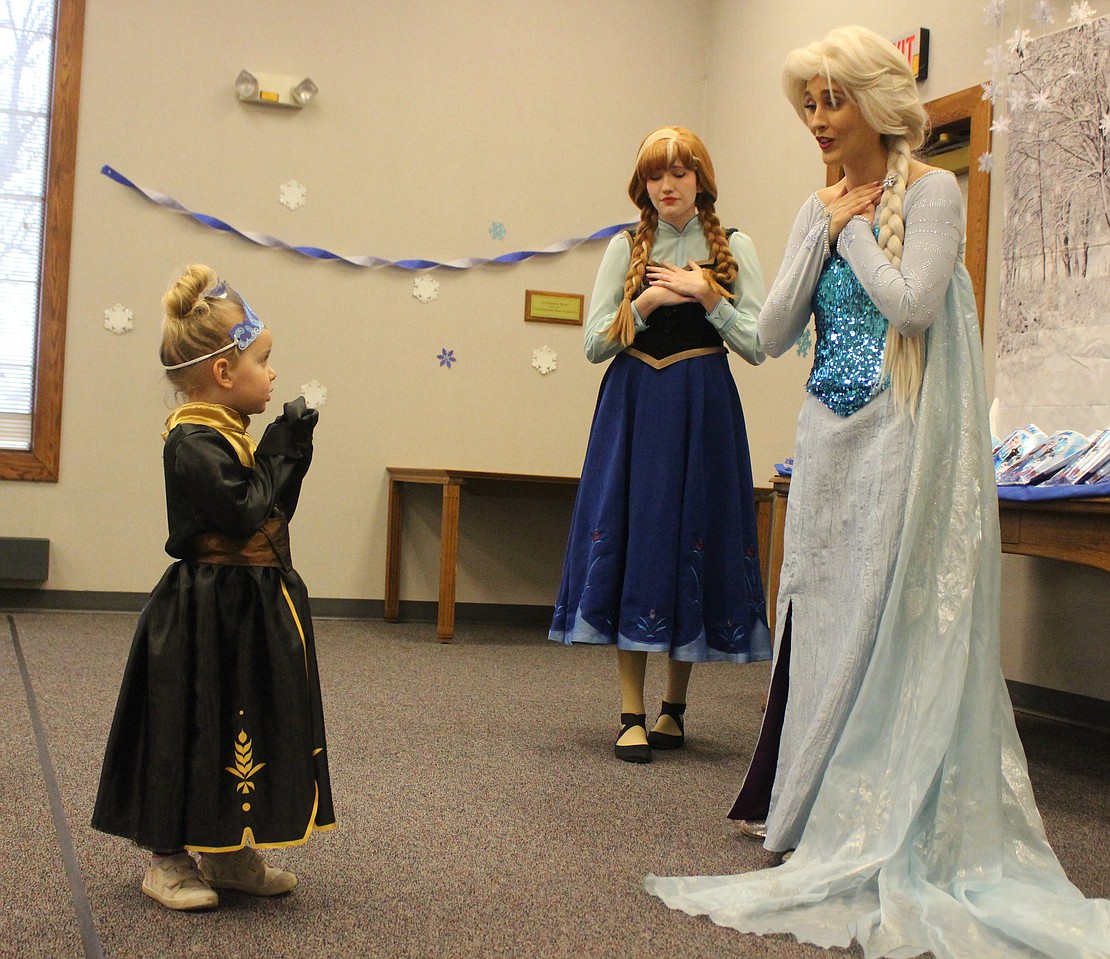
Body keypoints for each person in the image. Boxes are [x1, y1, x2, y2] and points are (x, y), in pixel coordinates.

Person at [645, 27, 1110, 957]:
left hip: (900, 434)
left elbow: (915, 305)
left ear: (872, 101)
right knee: (818, 607)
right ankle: (812, 805)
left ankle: (880, 805)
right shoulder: (815, 206)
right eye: (808, 104)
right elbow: (776, 332)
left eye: (832, 101)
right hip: (828, 433)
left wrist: (851, 229)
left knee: (881, 611)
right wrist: (752, 268)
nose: (818, 120)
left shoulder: (934, 193)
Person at [92, 265, 335, 911]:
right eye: (264, 359)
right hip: (204, 610)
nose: (273, 372)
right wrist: (284, 450)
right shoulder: (193, 441)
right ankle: (166, 859)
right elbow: (246, 511)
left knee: (240, 716)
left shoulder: (228, 433)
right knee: (188, 723)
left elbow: (270, 513)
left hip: (246, 605)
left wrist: (284, 454)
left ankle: (227, 850)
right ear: (224, 373)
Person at [549, 126, 771, 764]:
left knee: (692, 534)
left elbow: (759, 344)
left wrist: (709, 297)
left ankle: (675, 709)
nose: (667, 185)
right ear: (642, 185)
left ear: (701, 176)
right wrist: (644, 300)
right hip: (636, 409)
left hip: (704, 409)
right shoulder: (624, 247)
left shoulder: (735, 246)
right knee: (635, 537)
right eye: (655, 175)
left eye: (679, 172)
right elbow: (594, 344)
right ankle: (631, 712)